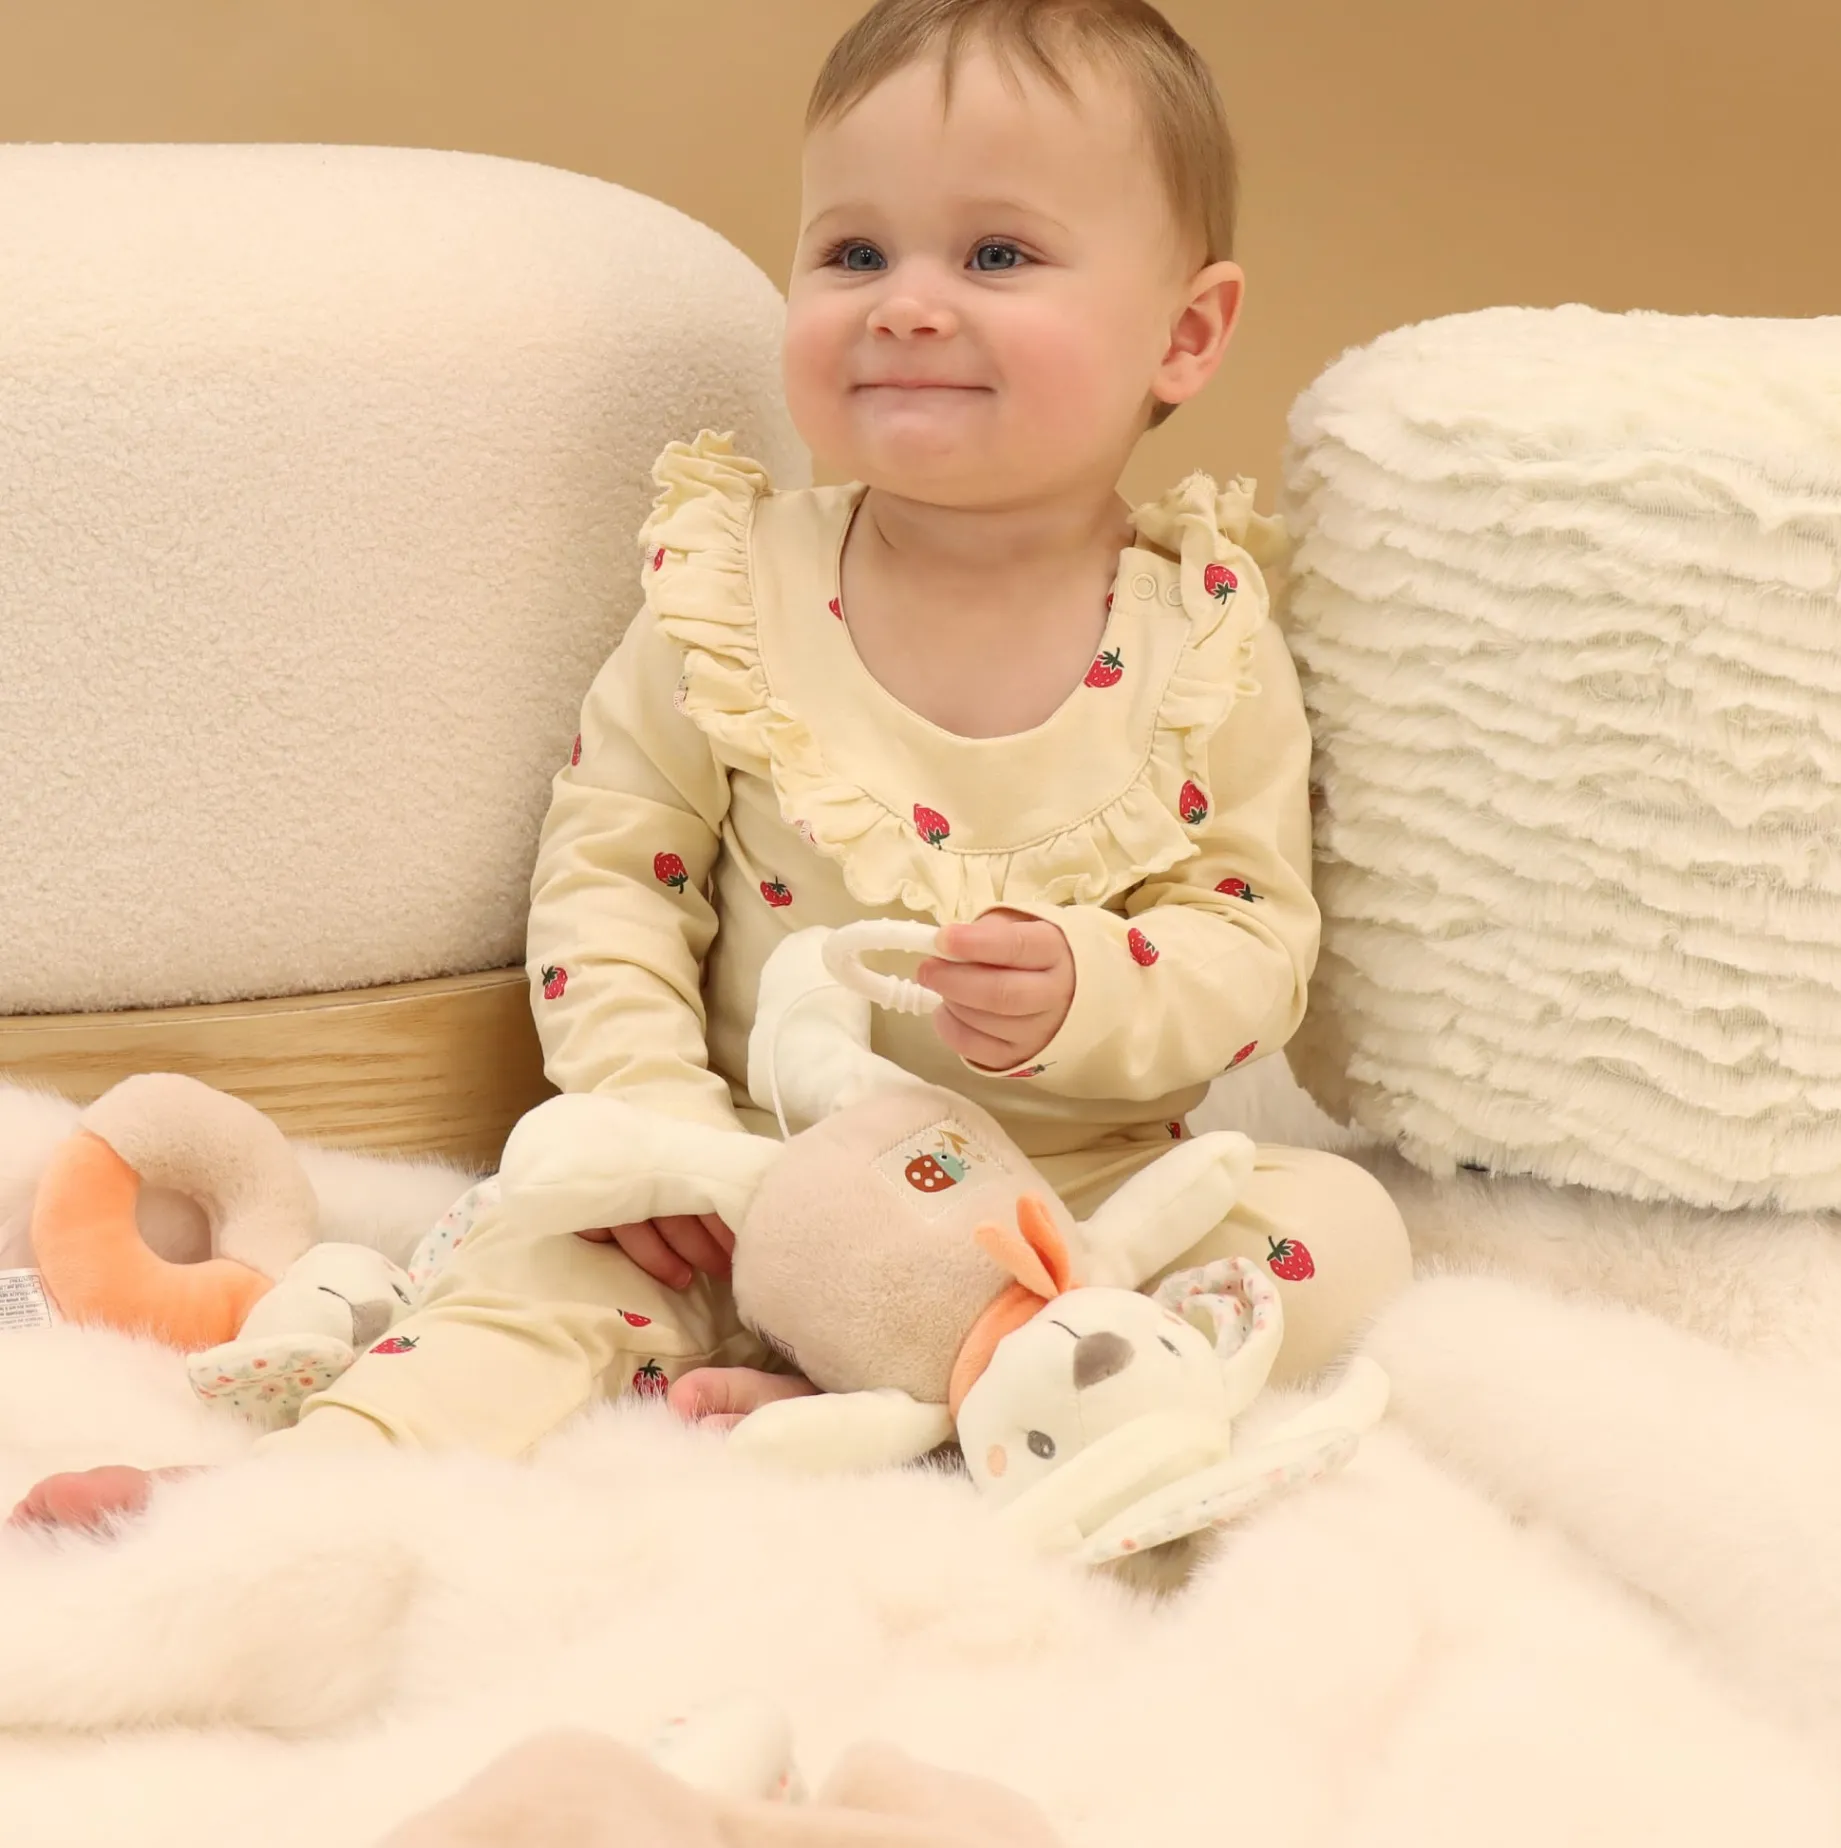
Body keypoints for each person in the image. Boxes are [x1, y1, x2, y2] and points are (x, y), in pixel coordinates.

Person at [10, 0, 1411, 1535]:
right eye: (854, 252)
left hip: (1059, 1209)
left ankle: (934, 1384)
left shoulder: (1203, 637)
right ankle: (295, 1493)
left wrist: (1091, 986)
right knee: (526, 1274)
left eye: (997, 255)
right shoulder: (733, 595)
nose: (907, 305)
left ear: (1186, 334)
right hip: (748, 1182)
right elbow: (614, 875)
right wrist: (656, 1123)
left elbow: (1254, 944)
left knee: (1335, 1234)